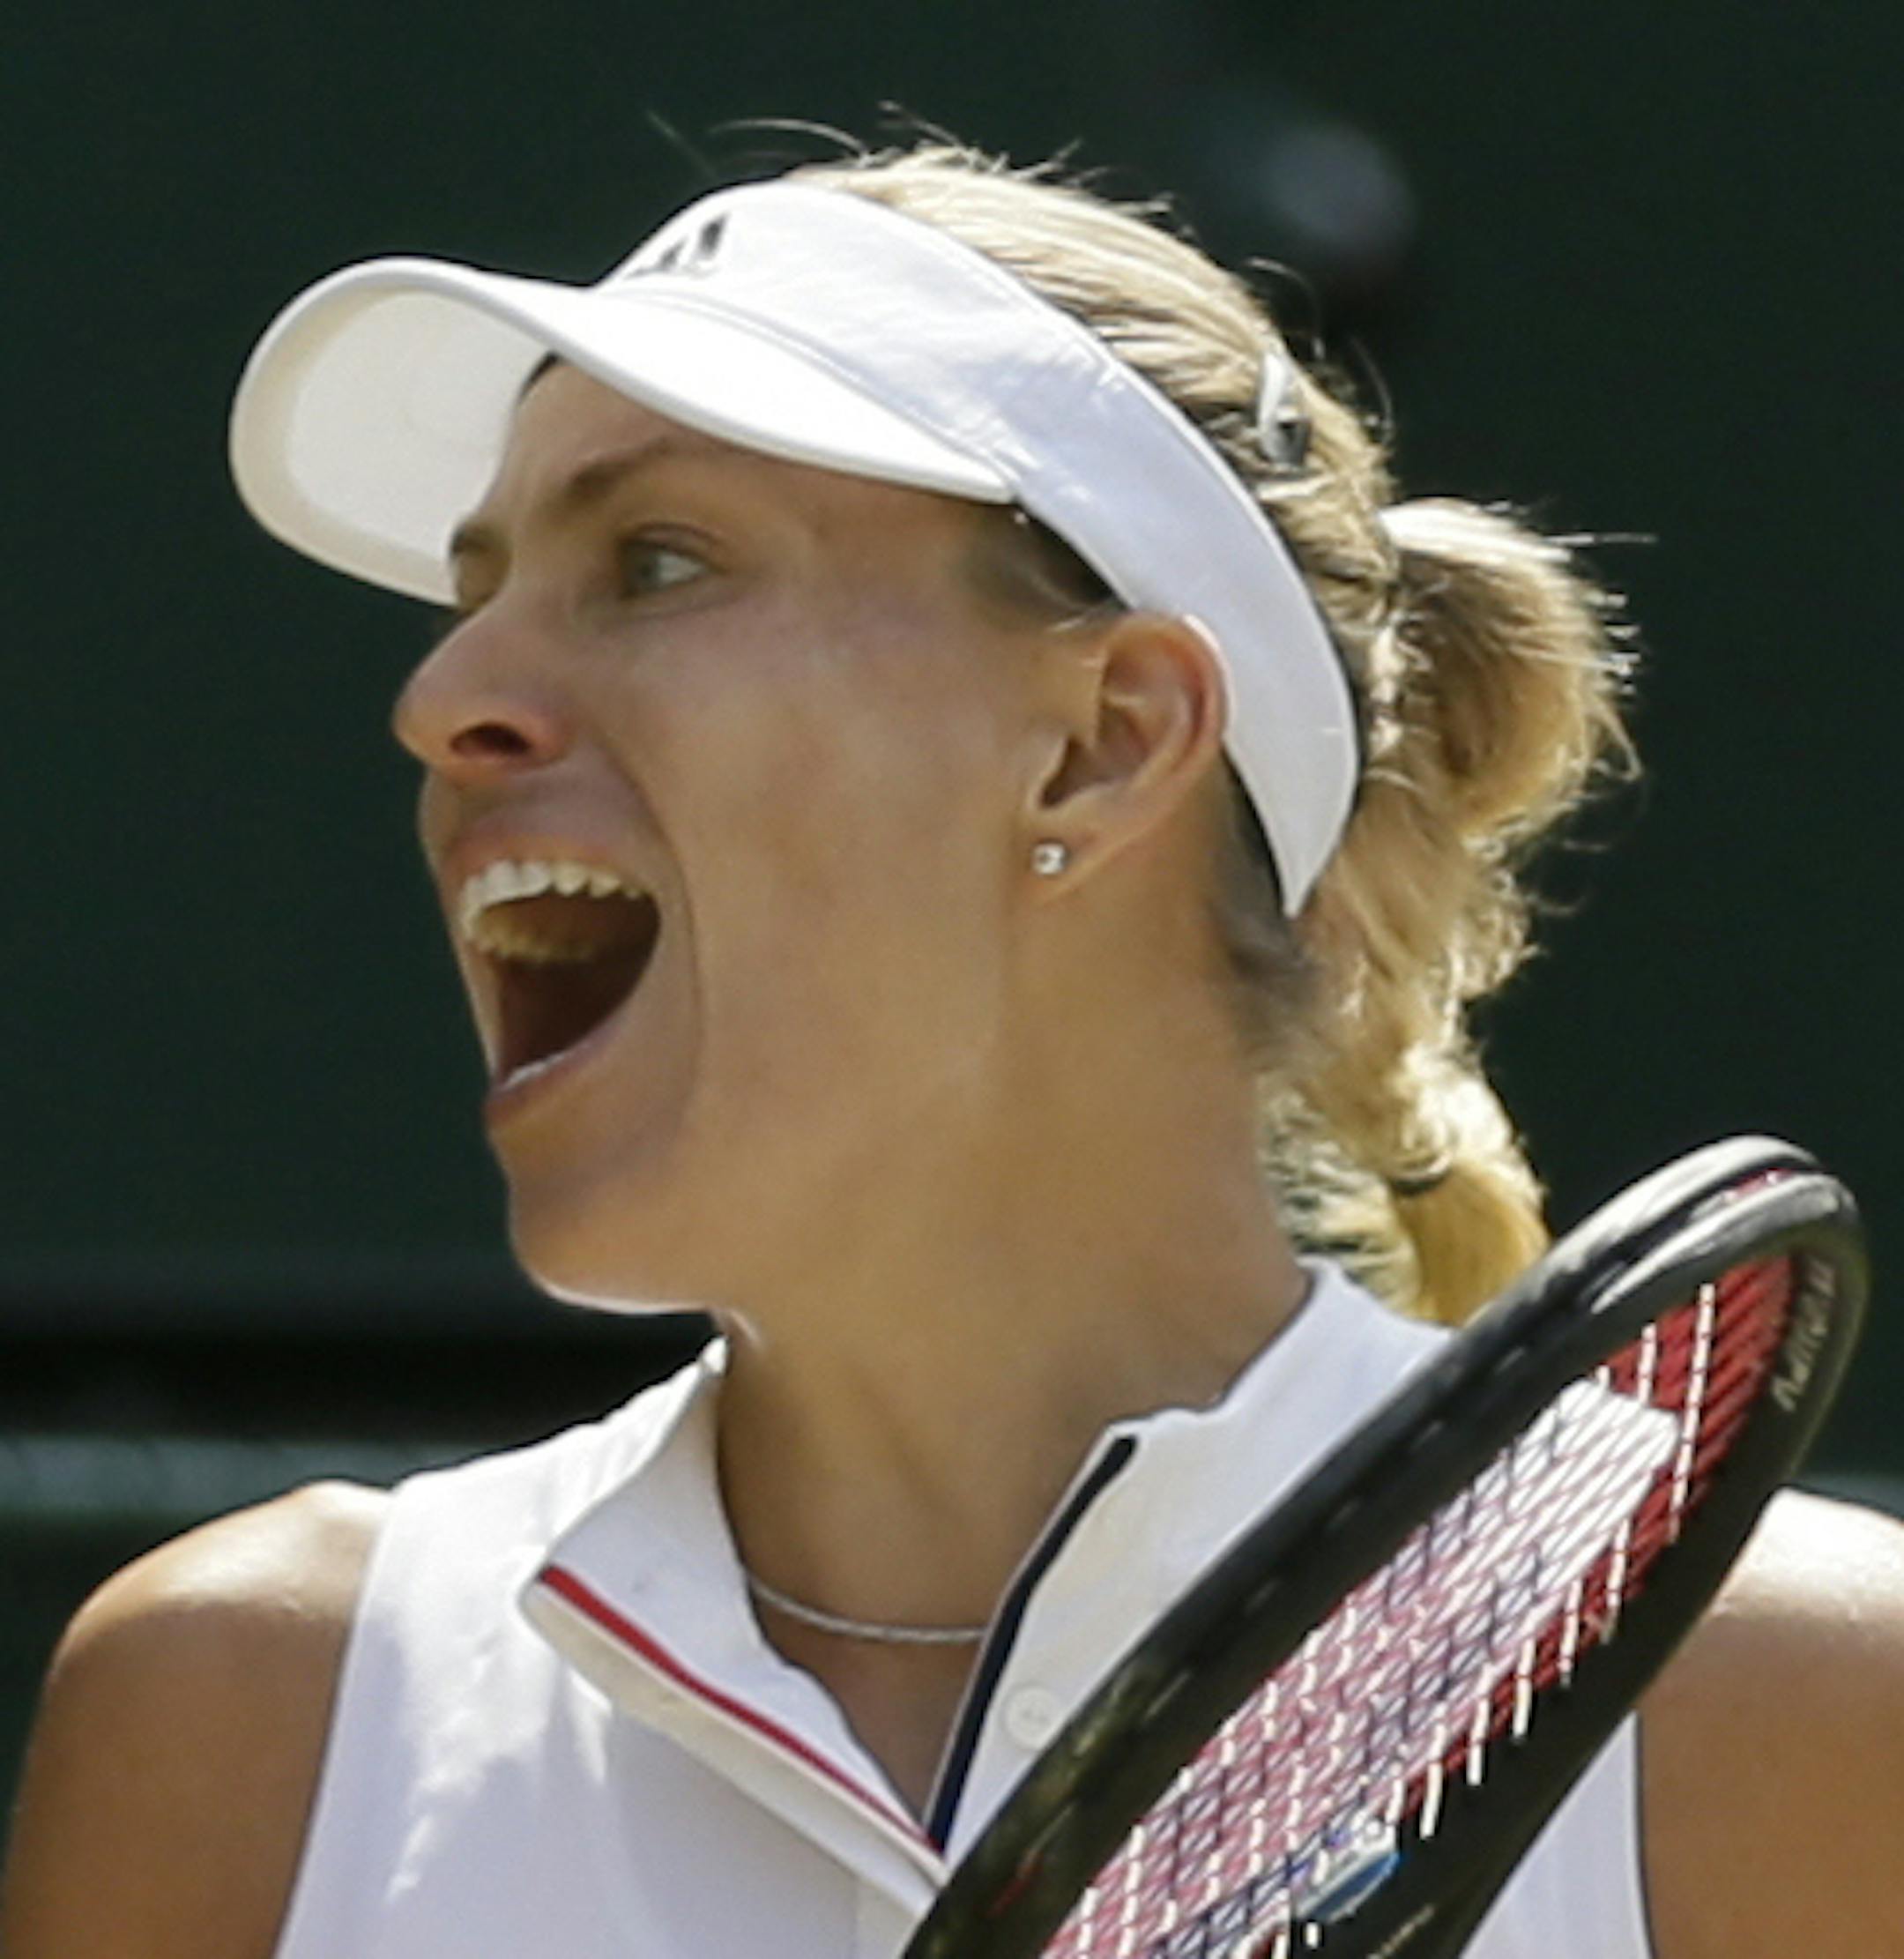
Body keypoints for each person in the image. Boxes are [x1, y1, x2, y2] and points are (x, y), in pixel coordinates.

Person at [4, 139, 1901, 1959]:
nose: (445, 696)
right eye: (474, 592)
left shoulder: (1799, 1715)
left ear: (1104, 740)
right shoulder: (239, 1721)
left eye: (657, 561)